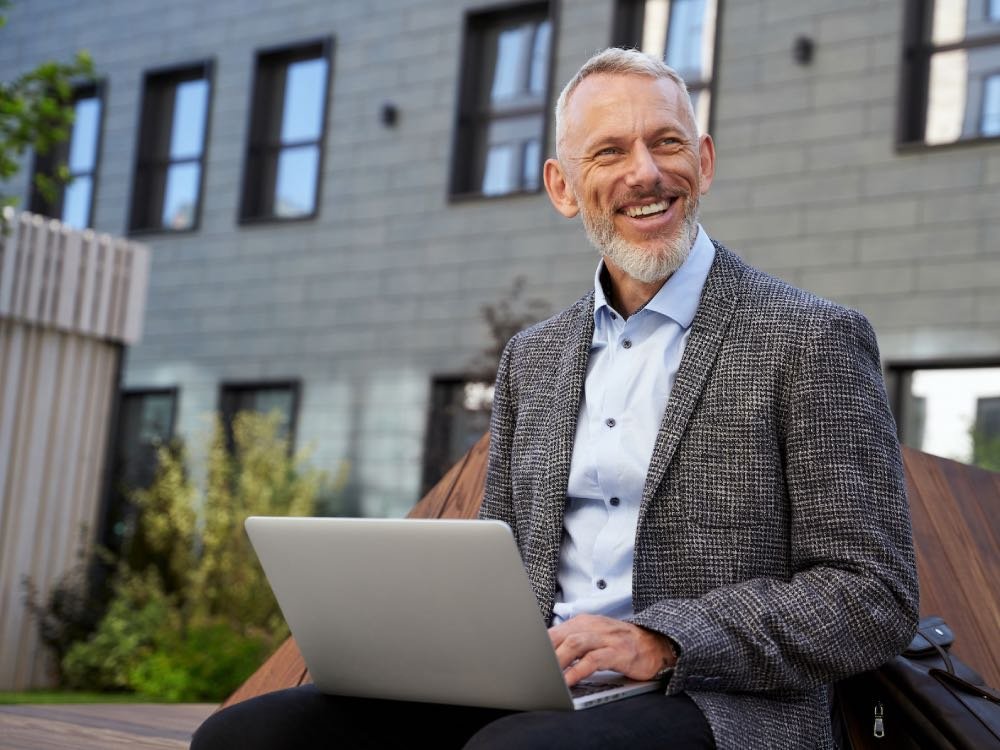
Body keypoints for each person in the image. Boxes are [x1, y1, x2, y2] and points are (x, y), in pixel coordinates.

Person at [192, 48, 918, 750]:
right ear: (563, 187)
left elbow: (870, 596)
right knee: (249, 735)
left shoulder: (812, 338)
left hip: (717, 702)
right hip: (534, 686)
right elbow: (500, 566)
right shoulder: (533, 358)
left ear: (704, 160)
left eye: (666, 143)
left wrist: (662, 640)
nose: (646, 172)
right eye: (609, 152)